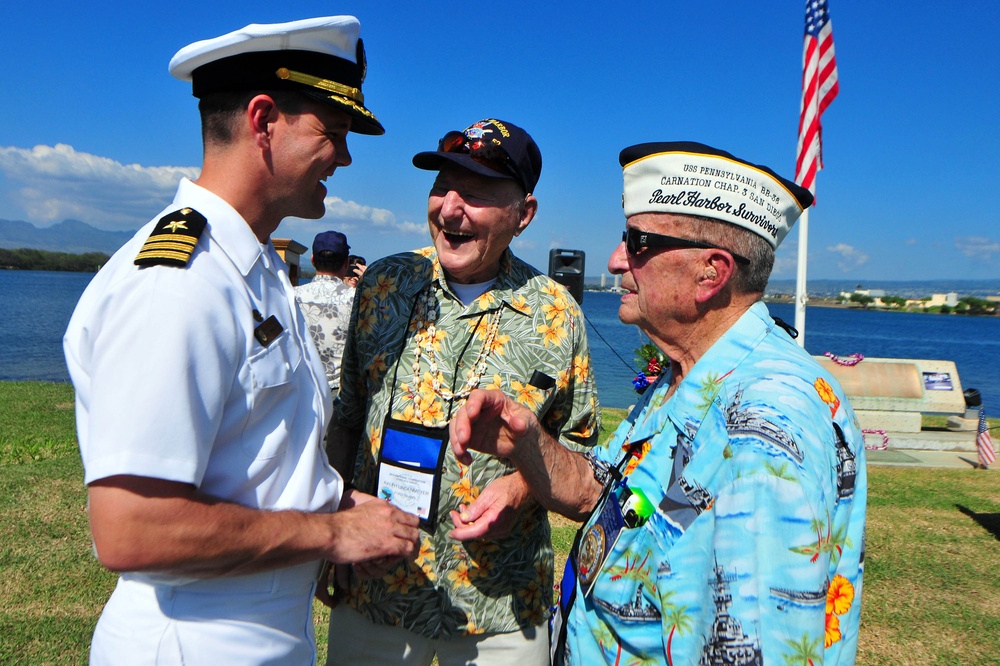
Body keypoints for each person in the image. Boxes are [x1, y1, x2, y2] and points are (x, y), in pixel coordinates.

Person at [63, 16, 420, 665]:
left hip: (257, 630)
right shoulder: (180, 283)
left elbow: (251, 456)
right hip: (197, 641)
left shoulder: (251, 269)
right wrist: (332, 531)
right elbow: (133, 531)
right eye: (332, 134)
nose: (344, 157)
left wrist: (334, 499)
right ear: (263, 121)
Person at [451, 141, 867, 665]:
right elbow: (601, 491)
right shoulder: (687, 377)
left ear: (711, 273)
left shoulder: (762, 424)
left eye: (638, 241)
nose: (615, 259)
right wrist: (527, 442)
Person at [323, 118, 601, 665]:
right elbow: (348, 421)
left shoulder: (555, 313)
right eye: (442, 187)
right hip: (376, 589)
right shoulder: (383, 286)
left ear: (524, 214)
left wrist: (521, 488)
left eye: (474, 193)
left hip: (501, 601)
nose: (450, 208)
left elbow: (582, 453)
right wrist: (332, 526)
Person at [296, 230, 356, 392]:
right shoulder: (355, 298)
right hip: (341, 391)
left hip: (301, 388)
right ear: (346, 262)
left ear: (313, 260)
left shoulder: (292, 295)